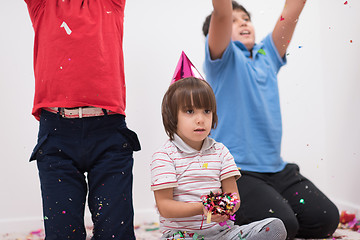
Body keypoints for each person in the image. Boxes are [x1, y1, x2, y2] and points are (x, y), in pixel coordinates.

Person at [202, 0, 339, 239]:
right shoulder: (222, 59)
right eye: (234, 21)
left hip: (277, 170)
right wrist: (225, 16)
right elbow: (221, 13)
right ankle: (227, 221)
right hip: (236, 173)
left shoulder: (268, 54)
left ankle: (265, 209)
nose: (242, 22)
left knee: (326, 218)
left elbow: (291, 10)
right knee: (284, 224)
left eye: (245, 18)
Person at [25, 0, 141, 239]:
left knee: (116, 234)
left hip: (109, 132)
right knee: (62, 234)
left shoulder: (111, 3)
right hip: (57, 135)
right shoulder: (43, 5)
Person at [151, 68, 287, 239]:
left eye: (206, 111)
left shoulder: (220, 151)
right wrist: (203, 207)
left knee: (275, 227)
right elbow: (165, 207)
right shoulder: (164, 156)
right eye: (190, 111)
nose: (200, 119)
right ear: (172, 117)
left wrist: (226, 207)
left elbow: (233, 196)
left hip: (222, 233)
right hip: (182, 235)